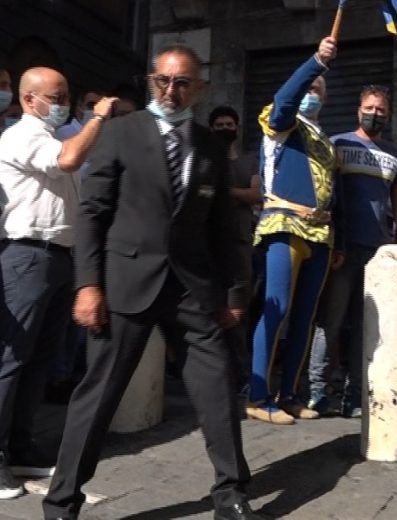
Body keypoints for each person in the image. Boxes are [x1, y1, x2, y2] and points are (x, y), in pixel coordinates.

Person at [43, 45, 262, 520]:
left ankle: (231, 492)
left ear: (199, 88)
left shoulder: (209, 146)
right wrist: (88, 284)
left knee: (217, 387)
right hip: (126, 283)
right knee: (99, 394)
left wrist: (233, 293)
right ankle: (61, 502)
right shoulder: (120, 134)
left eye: (182, 82)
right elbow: (92, 212)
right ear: (150, 81)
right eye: (163, 80)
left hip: (192, 288)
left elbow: (221, 228)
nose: (171, 90)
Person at [0, 69, 115, 498]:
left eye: (67, 96)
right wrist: (97, 118)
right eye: (57, 96)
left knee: (39, 360)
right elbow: (68, 160)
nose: (64, 104)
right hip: (27, 255)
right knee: (11, 360)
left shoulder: (53, 136)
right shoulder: (22, 136)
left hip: (59, 256)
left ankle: (20, 445)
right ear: (29, 100)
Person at [248, 39, 341, 424]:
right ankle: (257, 396)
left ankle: (289, 393)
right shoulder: (280, 122)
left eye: (318, 89)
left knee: (305, 316)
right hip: (284, 224)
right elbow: (286, 99)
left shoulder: (325, 140)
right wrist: (316, 63)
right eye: (308, 87)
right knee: (278, 307)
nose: (311, 94)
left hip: (320, 233)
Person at [308, 85, 397, 417]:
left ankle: (354, 396)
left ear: (388, 115)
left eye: (381, 110)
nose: (374, 114)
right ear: (358, 110)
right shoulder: (338, 144)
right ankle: (317, 390)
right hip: (342, 247)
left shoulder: (394, 155)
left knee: (365, 326)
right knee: (331, 321)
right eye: (369, 108)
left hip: (377, 252)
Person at [209, 106, 262, 394]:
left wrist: (222, 193)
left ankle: (240, 376)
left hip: (240, 245)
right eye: (219, 125)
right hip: (208, 246)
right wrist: (237, 196)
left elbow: (257, 194)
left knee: (238, 313)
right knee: (209, 312)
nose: (224, 129)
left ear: (237, 128)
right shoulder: (205, 160)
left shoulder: (248, 161)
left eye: (228, 124)